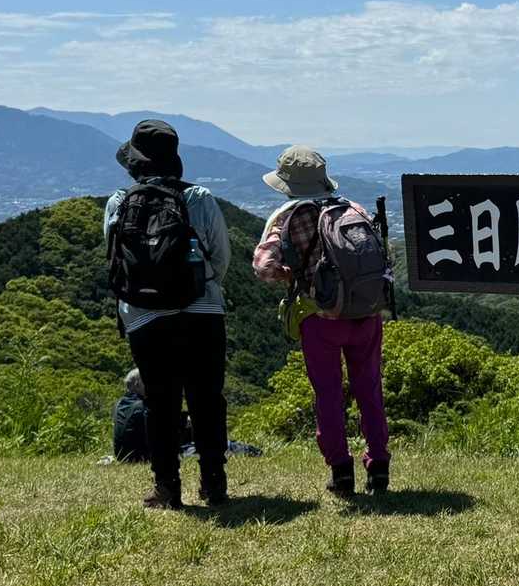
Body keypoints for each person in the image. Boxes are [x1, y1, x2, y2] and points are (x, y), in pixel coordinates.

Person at [104, 120, 231, 510]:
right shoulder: (199, 198)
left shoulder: (118, 203)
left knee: (160, 401)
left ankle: (167, 487)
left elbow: (116, 262)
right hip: (202, 311)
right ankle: (213, 483)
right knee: (207, 398)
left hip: (145, 317)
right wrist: (197, 286)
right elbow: (220, 258)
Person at [253, 145, 391, 497]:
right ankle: (379, 466)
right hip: (365, 312)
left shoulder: (289, 216)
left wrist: (288, 273)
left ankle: (341, 471)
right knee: (370, 389)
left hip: (320, 317)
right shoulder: (353, 209)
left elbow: (263, 267)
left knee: (328, 393)